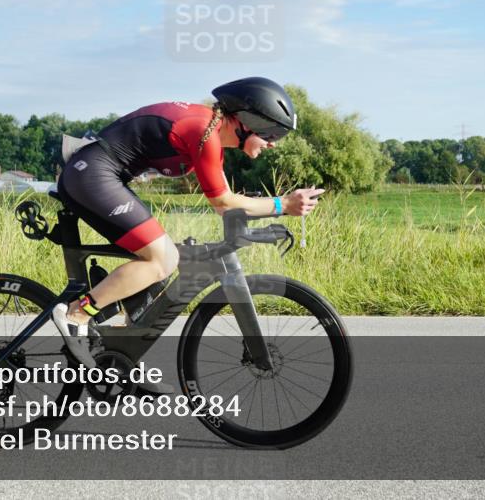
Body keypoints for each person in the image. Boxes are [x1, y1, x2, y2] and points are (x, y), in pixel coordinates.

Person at [51, 77, 324, 368]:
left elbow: (227, 202)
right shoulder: (203, 132)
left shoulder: (208, 132)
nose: (272, 144)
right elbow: (223, 203)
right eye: (272, 133)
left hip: (100, 175)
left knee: (161, 263)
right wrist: (283, 205)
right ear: (246, 121)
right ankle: (76, 314)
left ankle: (120, 353)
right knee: (163, 259)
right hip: (93, 175)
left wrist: (273, 211)